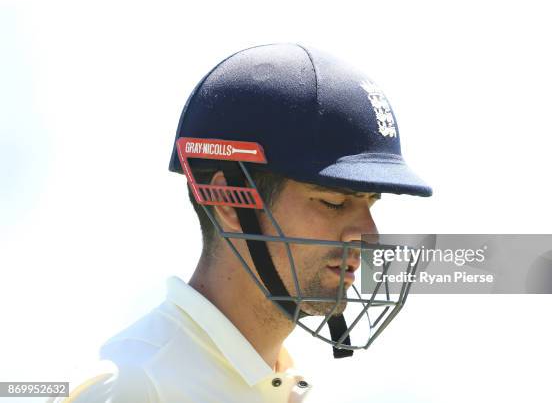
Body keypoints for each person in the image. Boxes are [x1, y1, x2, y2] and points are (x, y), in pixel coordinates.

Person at [50, 43, 432, 403]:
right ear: (230, 201)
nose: (368, 236)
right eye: (333, 202)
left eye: (371, 203)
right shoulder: (135, 386)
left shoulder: (284, 382)